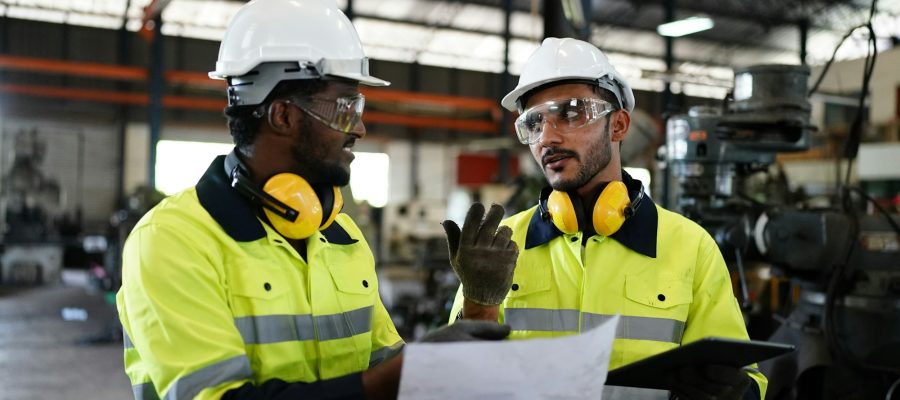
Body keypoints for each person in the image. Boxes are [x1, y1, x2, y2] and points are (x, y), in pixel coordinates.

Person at [116, 1, 509, 399]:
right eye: (345, 106)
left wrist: (474, 311)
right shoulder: (172, 242)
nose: (359, 126)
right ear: (283, 115)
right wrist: (410, 369)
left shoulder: (342, 235)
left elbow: (385, 370)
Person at [445, 37, 768, 400]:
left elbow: (747, 379)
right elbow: (455, 381)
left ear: (618, 125)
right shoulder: (502, 244)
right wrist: (476, 304)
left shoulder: (690, 247)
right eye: (533, 123)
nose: (547, 137)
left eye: (569, 112)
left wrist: (737, 392)